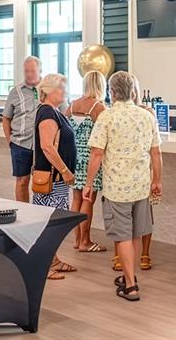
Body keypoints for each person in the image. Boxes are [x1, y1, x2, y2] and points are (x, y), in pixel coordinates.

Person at [85, 71, 163, 302]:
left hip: (116, 187)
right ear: (133, 91)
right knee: (136, 233)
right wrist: (157, 180)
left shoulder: (106, 117)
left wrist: (88, 183)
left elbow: (96, 153)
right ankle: (131, 275)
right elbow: (156, 153)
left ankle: (130, 285)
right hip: (141, 185)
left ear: (112, 92)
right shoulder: (147, 116)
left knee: (122, 236)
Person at [32, 73, 78, 280]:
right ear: (49, 91)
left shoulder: (54, 111)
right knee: (48, 223)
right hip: (52, 179)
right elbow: (47, 147)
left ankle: (53, 260)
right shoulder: (47, 113)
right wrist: (65, 170)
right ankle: (43, 264)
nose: (64, 91)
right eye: (61, 88)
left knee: (54, 221)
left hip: (58, 180)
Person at [69, 70, 107, 253]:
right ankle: (86, 241)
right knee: (88, 199)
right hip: (90, 158)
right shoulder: (98, 108)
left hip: (73, 157)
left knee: (76, 198)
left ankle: (77, 239)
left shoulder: (72, 104)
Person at [2, 56, 42, 203]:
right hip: (20, 144)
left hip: (43, 145)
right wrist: (10, 141)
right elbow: (6, 118)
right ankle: (24, 212)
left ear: (40, 71)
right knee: (22, 181)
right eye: (26, 71)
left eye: (32, 71)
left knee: (41, 181)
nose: (29, 74)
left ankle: (40, 212)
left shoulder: (48, 89)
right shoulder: (16, 91)